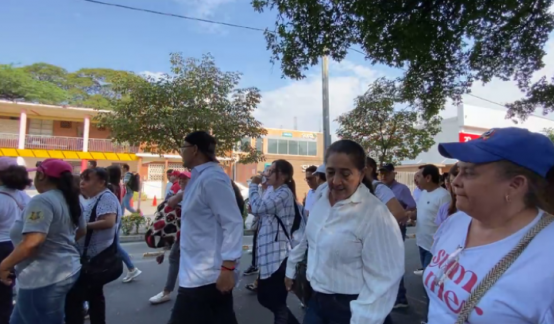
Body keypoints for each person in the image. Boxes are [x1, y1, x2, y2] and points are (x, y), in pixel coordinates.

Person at [425, 127, 554, 324]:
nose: (455, 181)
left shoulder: (547, 257)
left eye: (468, 172)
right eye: (458, 170)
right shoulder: (454, 222)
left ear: (516, 184)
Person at [285, 140, 405, 324]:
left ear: (362, 173)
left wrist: (363, 318)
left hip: (352, 308)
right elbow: (309, 236)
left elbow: (385, 279)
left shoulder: (374, 214)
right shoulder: (321, 196)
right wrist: (291, 269)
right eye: (331, 172)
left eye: (345, 173)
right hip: (316, 301)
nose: (336, 181)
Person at [167, 131, 243, 324]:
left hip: (206, 275)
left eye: (183, 148)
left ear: (194, 150)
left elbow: (232, 222)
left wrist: (228, 268)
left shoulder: (212, 179)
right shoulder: (197, 178)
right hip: (196, 272)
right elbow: (201, 213)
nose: (181, 152)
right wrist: (179, 198)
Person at [1, 159, 86, 324]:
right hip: (63, 269)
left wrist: (4, 265)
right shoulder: (70, 199)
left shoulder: (42, 201)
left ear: (41, 176)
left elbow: (33, 241)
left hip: (43, 277)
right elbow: (81, 230)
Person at [65, 167, 122, 324]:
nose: (82, 183)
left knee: (77, 297)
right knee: (94, 295)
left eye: (87, 179)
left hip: (96, 257)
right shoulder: (92, 197)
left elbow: (109, 221)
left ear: (101, 182)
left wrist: (83, 226)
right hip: (90, 256)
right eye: (82, 179)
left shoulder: (106, 198)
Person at [249, 159, 302, 324]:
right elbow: (258, 211)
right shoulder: (272, 191)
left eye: (272, 171)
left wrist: (253, 185)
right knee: (265, 298)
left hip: (278, 255)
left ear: (284, 176)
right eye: (268, 170)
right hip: (267, 254)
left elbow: (258, 207)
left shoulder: (284, 192)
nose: (267, 174)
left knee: (276, 302)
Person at [149, 171, 192, 305]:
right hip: (183, 234)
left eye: (185, 179)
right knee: (177, 258)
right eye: (180, 179)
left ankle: (169, 292)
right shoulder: (182, 194)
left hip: (191, 235)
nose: (182, 182)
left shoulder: (191, 194)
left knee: (177, 258)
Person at [0, 158, 32, 322]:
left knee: (3, 292)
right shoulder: (24, 197)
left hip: (1, 248)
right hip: (17, 246)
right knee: (10, 289)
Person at [106, 165, 142, 283]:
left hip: (113, 219)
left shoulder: (111, 188)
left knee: (115, 246)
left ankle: (131, 267)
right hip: (117, 218)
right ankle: (130, 267)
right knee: (113, 246)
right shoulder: (120, 186)